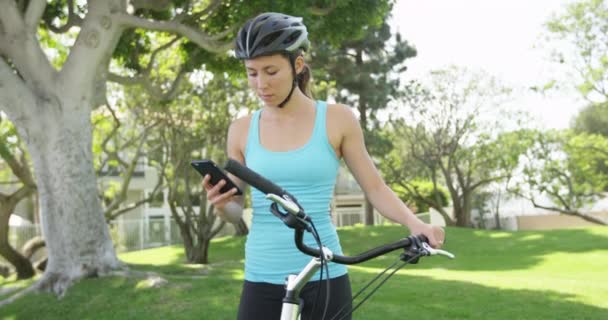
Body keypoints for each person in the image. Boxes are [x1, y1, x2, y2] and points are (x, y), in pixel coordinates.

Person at [202, 12, 446, 320]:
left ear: (297, 65)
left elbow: (375, 187)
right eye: (252, 73)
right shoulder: (240, 129)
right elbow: (236, 210)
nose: (261, 84)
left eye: (271, 71)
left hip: (324, 274)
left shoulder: (337, 119)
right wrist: (223, 205)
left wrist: (417, 225)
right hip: (262, 276)